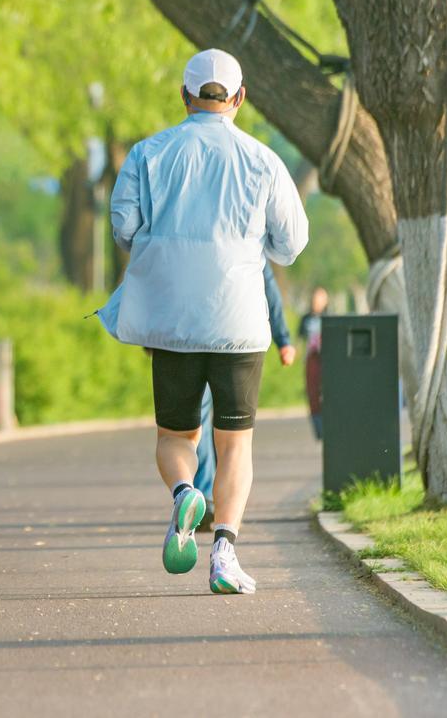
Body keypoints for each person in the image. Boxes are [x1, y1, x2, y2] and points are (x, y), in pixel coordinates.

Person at [97, 49, 308, 595]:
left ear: (184, 95)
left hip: (171, 319)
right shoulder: (263, 160)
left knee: (175, 435)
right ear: (239, 98)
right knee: (235, 444)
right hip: (239, 321)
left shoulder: (148, 154)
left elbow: (124, 226)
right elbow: (291, 244)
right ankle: (225, 555)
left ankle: (184, 493)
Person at [194, 264, 295, 531]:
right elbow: (268, 286)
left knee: (199, 419)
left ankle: (203, 496)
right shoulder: (247, 233)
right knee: (234, 433)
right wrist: (283, 339)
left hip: (190, 337)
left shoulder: (182, 225)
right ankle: (217, 505)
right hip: (236, 338)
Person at [298, 287, 328, 440]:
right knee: (312, 394)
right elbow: (300, 341)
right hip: (311, 359)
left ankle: (328, 426)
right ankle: (318, 430)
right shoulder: (306, 319)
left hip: (327, 359)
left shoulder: (329, 318)